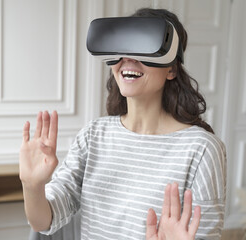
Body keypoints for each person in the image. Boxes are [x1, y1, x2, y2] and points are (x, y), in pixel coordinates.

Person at [19, 8, 226, 240]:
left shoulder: (202, 149)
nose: (128, 59)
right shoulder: (93, 135)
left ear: (172, 69)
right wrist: (32, 186)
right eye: (123, 47)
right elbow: (42, 221)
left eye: (143, 46)